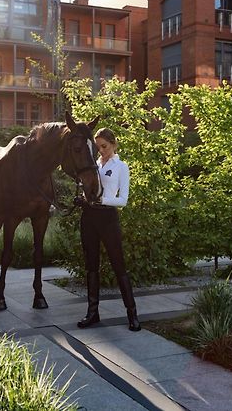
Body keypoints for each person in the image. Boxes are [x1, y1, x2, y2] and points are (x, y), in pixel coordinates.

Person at [74, 128, 141, 331]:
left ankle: (132, 315)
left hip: (108, 219)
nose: (101, 150)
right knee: (91, 267)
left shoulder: (121, 167)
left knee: (119, 265)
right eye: (98, 147)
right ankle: (92, 313)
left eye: (104, 146)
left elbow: (123, 200)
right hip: (89, 218)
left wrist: (102, 199)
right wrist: (82, 200)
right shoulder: (93, 165)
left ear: (113, 144)